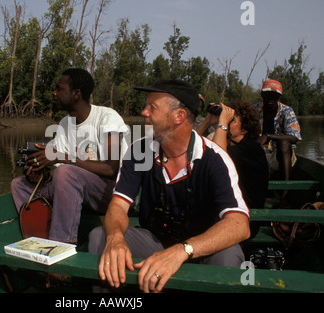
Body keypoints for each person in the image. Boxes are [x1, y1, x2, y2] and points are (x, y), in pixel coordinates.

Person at [88, 79, 250, 293]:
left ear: (179, 116)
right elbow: (118, 206)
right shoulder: (140, 151)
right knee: (100, 238)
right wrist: (116, 238)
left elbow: (239, 224)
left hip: (202, 249)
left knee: (230, 255)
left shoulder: (214, 158)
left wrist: (183, 250)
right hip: (154, 241)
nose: (144, 112)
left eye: (152, 107)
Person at [11, 68, 128, 245]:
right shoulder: (65, 123)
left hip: (110, 194)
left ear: (76, 94)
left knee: (66, 172)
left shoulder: (107, 118)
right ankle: (38, 240)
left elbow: (112, 169)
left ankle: (62, 246)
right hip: (76, 185)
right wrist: (41, 173)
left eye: (59, 88)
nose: (54, 92)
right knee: (19, 185)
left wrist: (64, 158)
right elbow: (58, 166)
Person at [197, 100, 269, 210]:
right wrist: (208, 121)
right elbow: (190, 144)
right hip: (227, 205)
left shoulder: (252, 150)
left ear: (244, 129)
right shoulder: (230, 145)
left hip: (245, 214)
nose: (227, 122)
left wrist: (223, 123)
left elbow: (217, 159)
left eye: (232, 120)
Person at [254, 80, 302, 205]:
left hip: (280, 157)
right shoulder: (254, 110)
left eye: (274, 96)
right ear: (262, 95)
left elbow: (294, 137)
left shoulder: (286, 111)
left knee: (285, 143)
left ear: (279, 97)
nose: (270, 98)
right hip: (259, 155)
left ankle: (286, 192)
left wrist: (268, 136)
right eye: (267, 95)